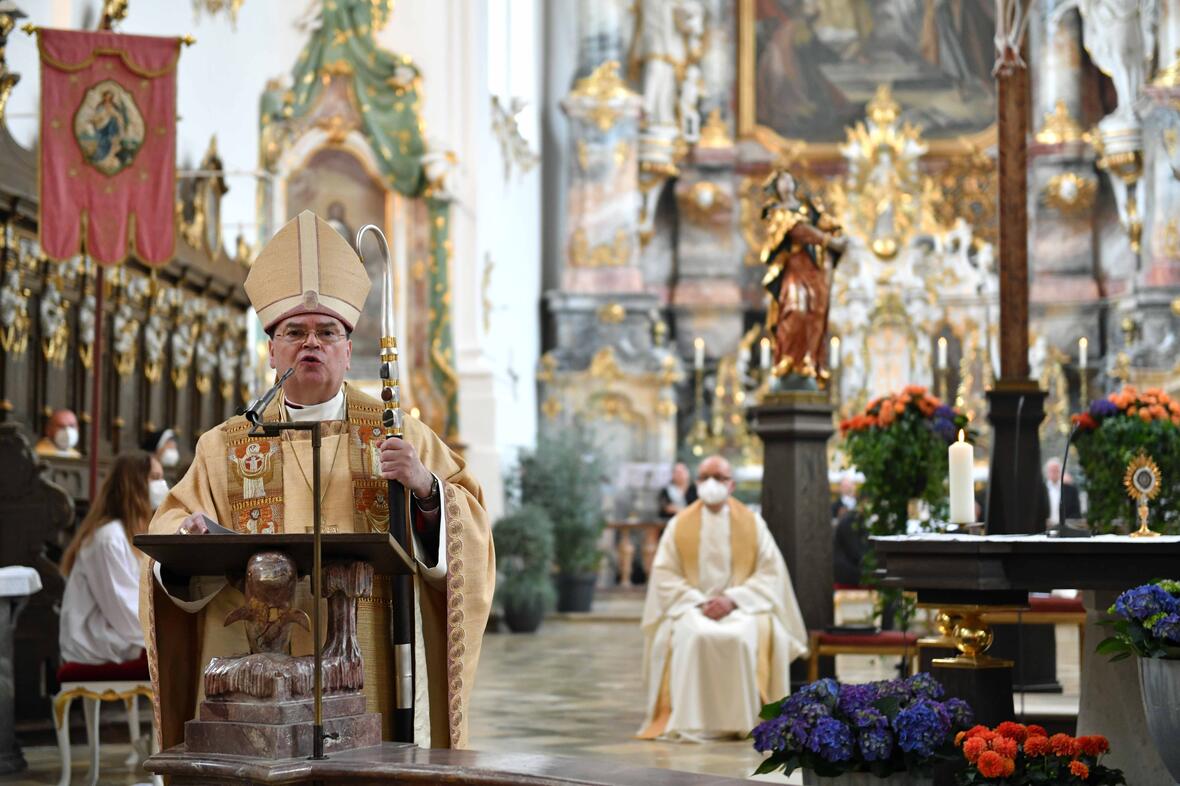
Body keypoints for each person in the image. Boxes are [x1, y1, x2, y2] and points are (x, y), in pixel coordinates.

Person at [142, 210, 494, 750]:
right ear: (271, 349)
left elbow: (470, 525)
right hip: (258, 665)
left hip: (370, 654)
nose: (312, 343)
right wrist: (189, 538)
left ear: (348, 349)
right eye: (295, 332)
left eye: (327, 332)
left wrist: (426, 489)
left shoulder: (398, 431)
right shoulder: (225, 445)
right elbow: (168, 528)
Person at [637, 454, 807, 741]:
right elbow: (665, 574)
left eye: (719, 477)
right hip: (694, 606)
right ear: (696, 483)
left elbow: (770, 572)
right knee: (695, 636)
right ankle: (692, 723)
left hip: (741, 607)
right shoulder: (679, 524)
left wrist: (731, 599)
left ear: (731, 485)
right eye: (705, 477)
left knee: (739, 638)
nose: (711, 484)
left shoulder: (753, 524)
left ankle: (744, 722)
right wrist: (700, 601)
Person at [60, 451, 165, 666]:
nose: (163, 484)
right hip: (96, 641)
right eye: (154, 478)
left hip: (120, 632)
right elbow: (124, 612)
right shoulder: (109, 538)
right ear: (133, 484)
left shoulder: (139, 532)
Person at [1044, 457, 1081, 525]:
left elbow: (1076, 513)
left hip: (1065, 529)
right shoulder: (1042, 491)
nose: (1053, 473)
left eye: (1056, 470)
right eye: (1051, 470)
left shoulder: (1071, 490)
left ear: (1060, 472)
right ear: (1047, 472)